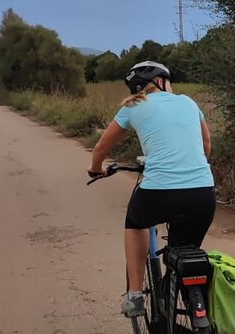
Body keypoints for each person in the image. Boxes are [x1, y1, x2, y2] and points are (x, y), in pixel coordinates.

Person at [88, 61, 216, 317]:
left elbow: (101, 148)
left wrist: (95, 169)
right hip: (203, 192)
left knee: (135, 222)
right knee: (186, 253)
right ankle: (190, 302)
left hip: (159, 193)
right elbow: (206, 144)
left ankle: (135, 294)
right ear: (161, 81)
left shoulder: (133, 105)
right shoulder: (189, 102)